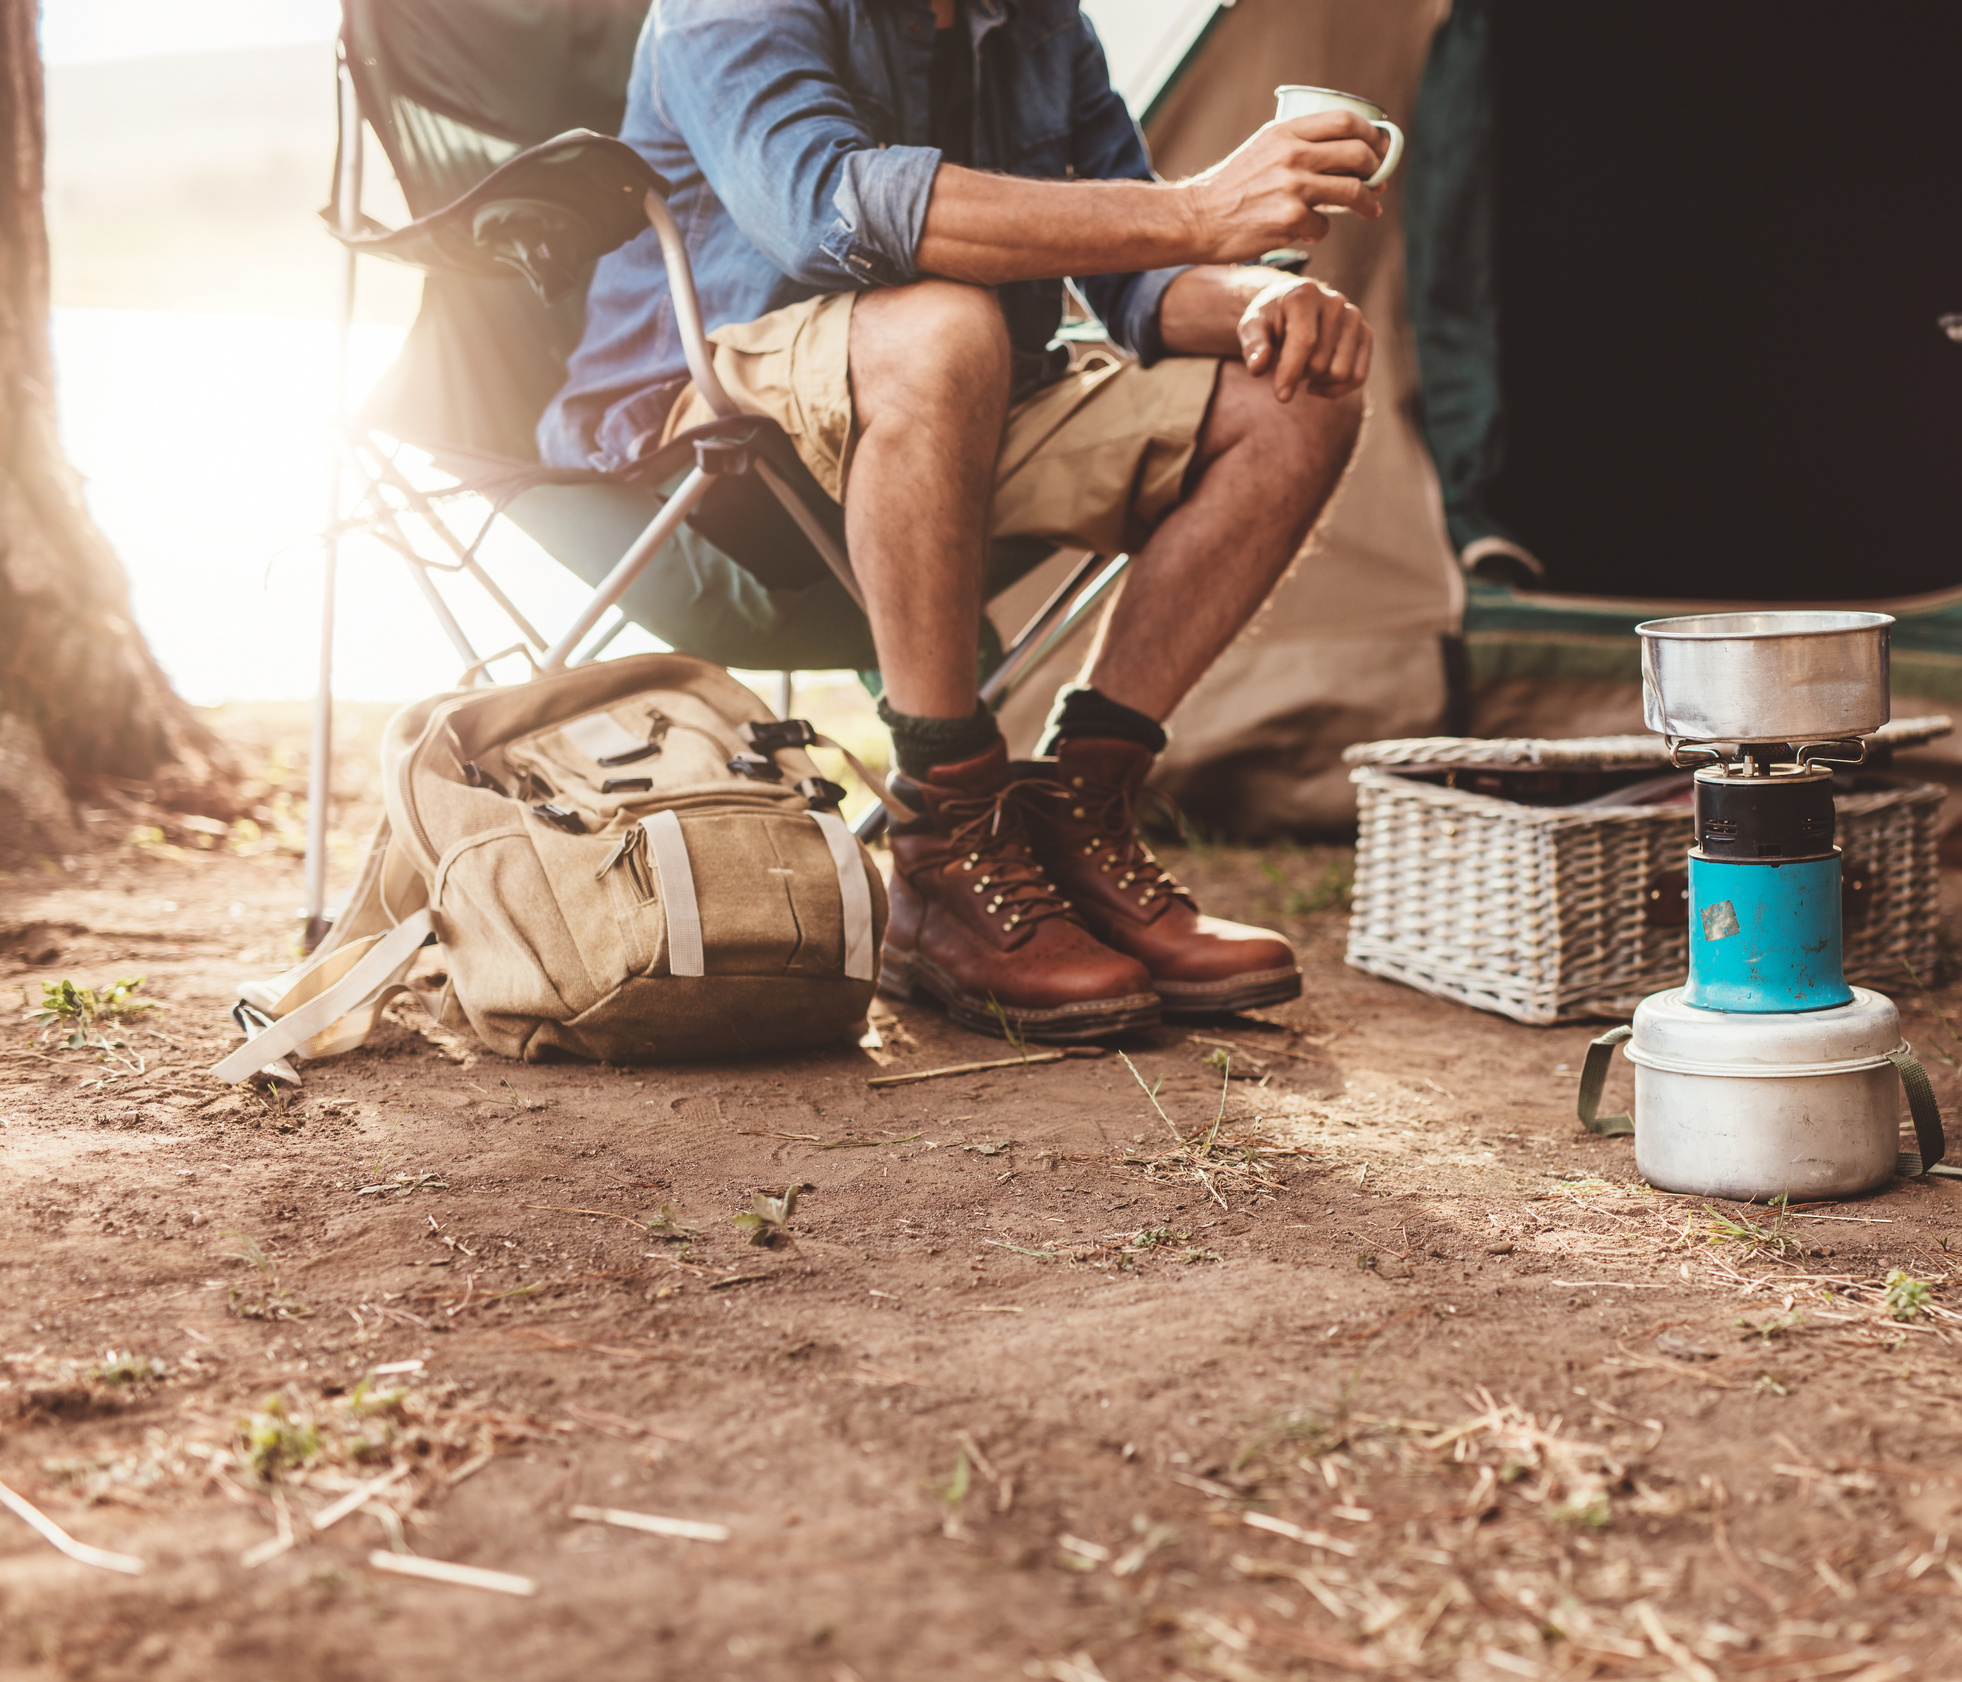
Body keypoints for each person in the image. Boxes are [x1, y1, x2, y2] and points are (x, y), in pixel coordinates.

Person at [541, 0, 1386, 1041]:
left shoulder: (1036, 20)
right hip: (718, 418)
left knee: (1295, 398)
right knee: (946, 323)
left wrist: (1256, 297)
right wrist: (1206, 211)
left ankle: (1076, 814)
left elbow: (1136, 278)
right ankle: (944, 844)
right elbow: (828, 211)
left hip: (970, 401)